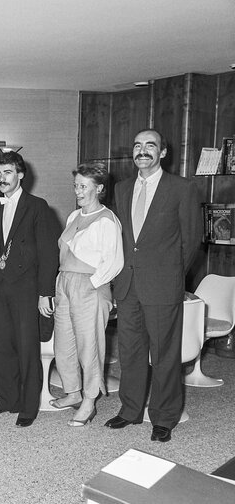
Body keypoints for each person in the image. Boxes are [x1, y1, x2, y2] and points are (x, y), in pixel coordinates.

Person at [104, 129, 201, 442]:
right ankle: (130, 410)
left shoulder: (181, 188)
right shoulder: (121, 188)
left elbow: (191, 240)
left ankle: (164, 416)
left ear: (163, 152)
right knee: (130, 351)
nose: (142, 150)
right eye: (137, 145)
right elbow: (122, 239)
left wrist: (172, 275)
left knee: (164, 355)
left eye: (150, 145)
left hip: (162, 284)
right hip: (128, 284)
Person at [0, 152, 59, 428]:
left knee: (27, 350)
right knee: (2, 346)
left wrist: (44, 293)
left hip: (28, 289)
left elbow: (49, 253)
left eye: (8, 173)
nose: (2, 179)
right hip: (1, 288)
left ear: (21, 175)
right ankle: (6, 399)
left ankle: (28, 407)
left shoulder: (38, 207)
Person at [51, 162, 123, 426]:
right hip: (65, 283)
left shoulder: (107, 220)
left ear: (99, 188)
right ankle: (73, 392)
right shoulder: (73, 216)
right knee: (64, 344)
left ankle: (90, 401)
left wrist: (90, 284)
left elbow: (114, 262)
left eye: (83, 186)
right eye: (76, 186)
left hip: (90, 287)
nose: (77, 191)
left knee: (89, 347)